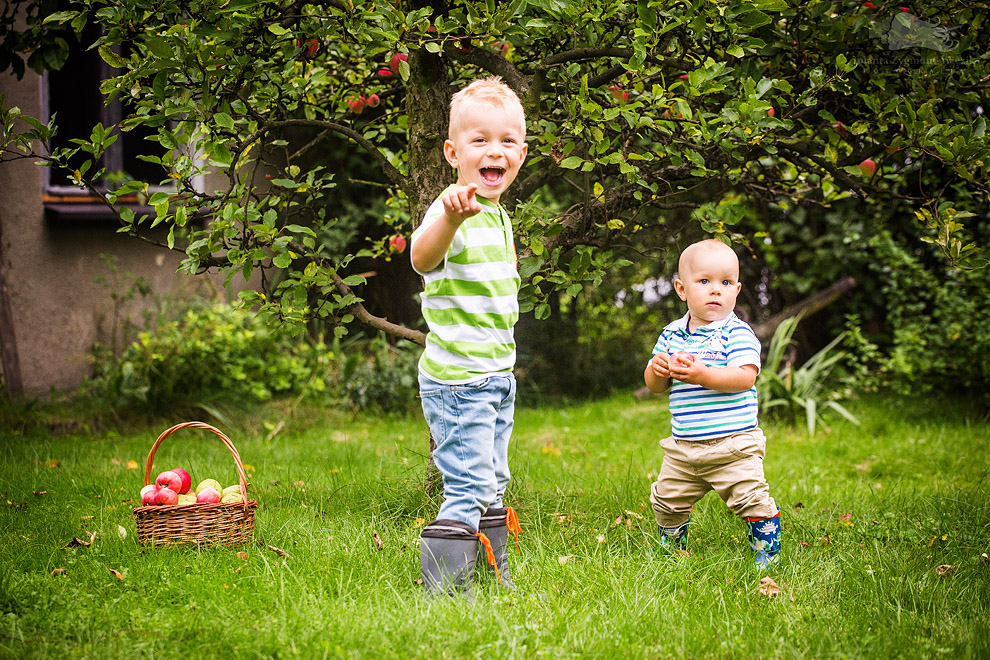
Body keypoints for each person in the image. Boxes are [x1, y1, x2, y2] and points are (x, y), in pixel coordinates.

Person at [410, 77, 527, 596]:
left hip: (495, 376)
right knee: (469, 484)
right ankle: (445, 592)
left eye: (506, 141)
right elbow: (421, 258)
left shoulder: (499, 215)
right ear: (453, 153)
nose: (493, 150)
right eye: (479, 140)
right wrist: (451, 221)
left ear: (520, 154)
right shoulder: (450, 208)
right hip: (459, 380)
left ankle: (492, 576)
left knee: (494, 482)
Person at [643, 239, 781, 567]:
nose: (715, 290)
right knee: (667, 501)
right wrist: (656, 370)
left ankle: (766, 555)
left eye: (725, 282)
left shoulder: (737, 333)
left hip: (733, 445)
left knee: (752, 498)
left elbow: (745, 377)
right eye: (704, 282)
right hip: (684, 448)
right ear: (681, 288)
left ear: (736, 289)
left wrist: (704, 374)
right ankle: (674, 553)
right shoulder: (672, 334)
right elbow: (655, 386)